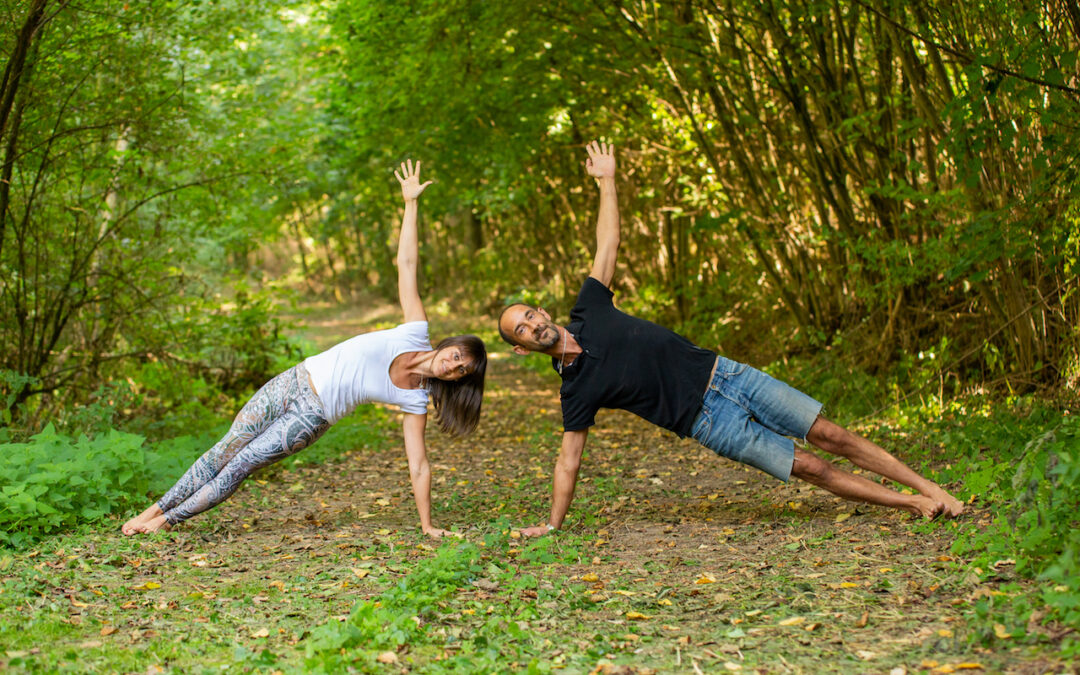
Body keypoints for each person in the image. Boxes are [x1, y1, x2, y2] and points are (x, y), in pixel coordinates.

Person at [498, 141, 963, 537]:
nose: (532, 324)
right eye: (521, 329)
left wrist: (607, 181)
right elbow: (568, 463)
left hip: (727, 374)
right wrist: (554, 525)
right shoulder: (574, 390)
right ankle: (911, 504)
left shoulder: (590, 307)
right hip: (709, 423)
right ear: (522, 348)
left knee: (829, 434)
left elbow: (608, 242)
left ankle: (929, 488)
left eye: (529, 314)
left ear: (542, 309)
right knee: (809, 467)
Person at [123, 159, 486, 539]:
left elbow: (419, 465)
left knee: (242, 464)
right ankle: (154, 509)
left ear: (460, 380)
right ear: (451, 343)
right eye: (459, 354)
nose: (454, 364)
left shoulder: (415, 399)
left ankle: (164, 523)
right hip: (294, 379)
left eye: (462, 370)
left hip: (312, 417)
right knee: (225, 448)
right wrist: (411, 205)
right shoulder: (414, 331)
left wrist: (428, 525)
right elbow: (407, 263)